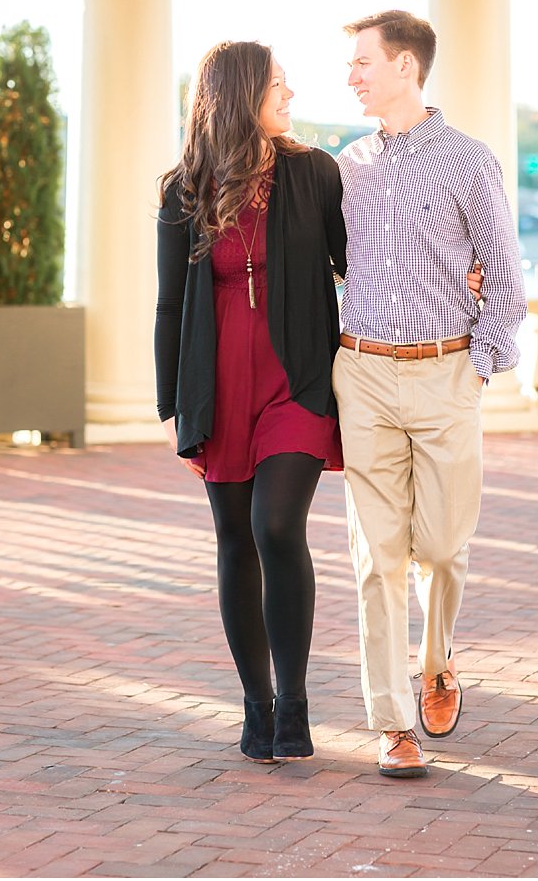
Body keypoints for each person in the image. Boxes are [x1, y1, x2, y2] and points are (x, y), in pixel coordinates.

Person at [335, 10, 526, 779]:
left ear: (407, 67)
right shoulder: (342, 168)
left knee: (443, 546)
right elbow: (328, 266)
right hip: (366, 375)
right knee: (376, 558)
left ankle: (438, 659)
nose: (351, 75)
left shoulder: (471, 162)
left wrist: (477, 364)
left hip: (449, 372)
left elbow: (506, 280)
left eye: (362, 62)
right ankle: (392, 719)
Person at [154, 40, 348, 763]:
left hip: (295, 378)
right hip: (217, 388)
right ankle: (256, 706)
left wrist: (459, 273)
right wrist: (173, 409)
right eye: (277, 82)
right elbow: (170, 307)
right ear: (241, 94)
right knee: (235, 540)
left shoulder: (313, 174)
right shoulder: (184, 190)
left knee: (275, 525)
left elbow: (360, 262)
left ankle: (294, 703)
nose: (290, 92)